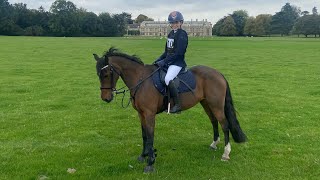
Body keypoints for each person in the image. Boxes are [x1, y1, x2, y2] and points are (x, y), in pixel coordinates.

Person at [153, 11, 188, 113]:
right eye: (172, 23)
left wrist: (164, 62)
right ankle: (165, 103)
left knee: (168, 79)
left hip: (177, 63)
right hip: (169, 62)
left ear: (181, 22)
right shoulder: (171, 34)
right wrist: (158, 60)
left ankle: (177, 105)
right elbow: (167, 51)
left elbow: (178, 53)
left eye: (176, 22)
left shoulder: (182, 34)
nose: (174, 25)